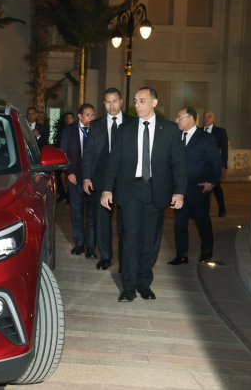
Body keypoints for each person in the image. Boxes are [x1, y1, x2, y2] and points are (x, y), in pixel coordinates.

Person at [101, 87, 186, 302]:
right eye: (135, 101)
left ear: (154, 103)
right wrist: (107, 189)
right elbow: (113, 162)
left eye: (142, 100)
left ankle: (144, 283)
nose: (137, 105)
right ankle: (128, 287)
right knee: (130, 239)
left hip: (157, 191)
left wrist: (179, 192)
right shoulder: (125, 129)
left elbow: (178, 164)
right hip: (131, 191)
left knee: (150, 241)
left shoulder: (170, 129)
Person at [82, 88, 135, 271]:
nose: (111, 105)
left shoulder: (132, 123)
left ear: (121, 102)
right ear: (104, 103)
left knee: (126, 221)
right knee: (102, 220)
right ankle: (105, 256)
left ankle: (124, 260)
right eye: (107, 102)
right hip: (101, 178)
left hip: (126, 179)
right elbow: (88, 153)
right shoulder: (96, 125)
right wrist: (86, 177)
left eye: (114, 101)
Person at [170, 107, 221, 265]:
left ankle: (207, 251)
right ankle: (181, 255)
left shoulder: (206, 138)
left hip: (199, 189)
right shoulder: (175, 137)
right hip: (179, 190)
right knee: (179, 224)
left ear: (191, 118)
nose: (176, 121)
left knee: (202, 222)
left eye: (179, 117)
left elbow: (216, 162)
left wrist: (212, 182)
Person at [60, 104, 96, 258]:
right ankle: (79, 244)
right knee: (76, 212)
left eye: (93, 115)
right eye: (88, 115)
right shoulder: (69, 130)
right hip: (75, 177)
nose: (91, 118)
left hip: (92, 179)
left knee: (92, 214)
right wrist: (68, 172)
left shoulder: (96, 129)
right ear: (80, 116)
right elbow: (63, 153)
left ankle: (91, 247)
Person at [202, 110, 228, 217]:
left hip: (214, 165)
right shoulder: (198, 131)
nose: (206, 118)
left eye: (209, 116)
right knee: (200, 187)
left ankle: (222, 209)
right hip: (202, 165)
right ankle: (198, 210)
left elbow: (224, 150)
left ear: (213, 119)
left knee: (216, 187)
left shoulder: (220, 132)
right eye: (205, 116)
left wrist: (223, 165)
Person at [54, 112, 75, 203]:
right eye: (66, 118)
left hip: (72, 158)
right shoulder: (61, 130)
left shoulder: (76, 130)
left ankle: (70, 196)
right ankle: (62, 193)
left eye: (70, 118)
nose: (68, 119)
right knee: (56, 173)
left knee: (71, 174)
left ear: (73, 119)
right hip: (62, 157)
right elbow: (58, 143)